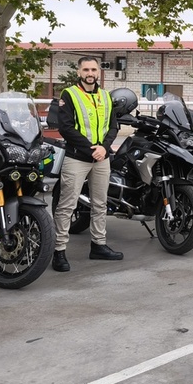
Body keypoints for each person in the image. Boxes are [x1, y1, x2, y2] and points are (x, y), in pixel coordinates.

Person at [53, 56, 123, 270]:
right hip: (78, 158)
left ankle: (98, 245)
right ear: (79, 72)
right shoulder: (69, 94)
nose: (90, 73)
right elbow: (65, 127)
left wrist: (104, 147)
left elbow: (113, 126)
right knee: (67, 205)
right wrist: (91, 149)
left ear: (98, 72)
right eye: (86, 69)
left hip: (101, 158)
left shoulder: (105, 95)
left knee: (100, 204)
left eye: (93, 69)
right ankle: (58, 251)